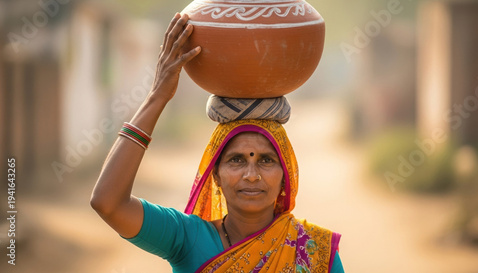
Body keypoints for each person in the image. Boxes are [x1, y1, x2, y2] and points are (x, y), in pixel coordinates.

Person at [91, 13, 344, 273]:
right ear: (216, 174)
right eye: (237, 160)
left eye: (266, 160)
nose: (251, 175)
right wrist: (158, 96)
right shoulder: (186, 239)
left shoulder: (316, 253)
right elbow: (108, 203)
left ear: (286, 174)